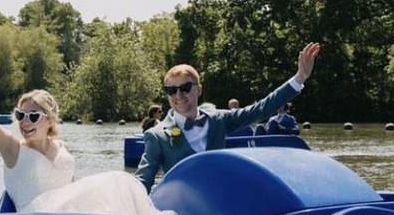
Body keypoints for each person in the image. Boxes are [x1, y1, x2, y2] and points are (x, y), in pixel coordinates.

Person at [0, 59, 168, 215]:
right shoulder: (12, 149)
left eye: (33, 116)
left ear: (50, 119)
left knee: (120, 182)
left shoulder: (62, 148)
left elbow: (73, 188)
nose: (25, 122)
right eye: (21, 115)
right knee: (116, 180)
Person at [136, 43, 321, 192]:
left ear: (199, 90)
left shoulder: (219, 119)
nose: (179, 95)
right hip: (182, 211)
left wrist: (299, 78)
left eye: (185, 88)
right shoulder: (156, 135)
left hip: (221, 203)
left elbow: (260, 109)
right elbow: (143, 179)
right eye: (171, 90)